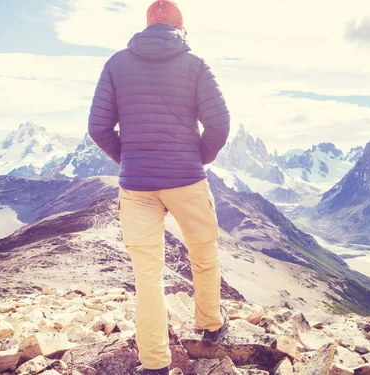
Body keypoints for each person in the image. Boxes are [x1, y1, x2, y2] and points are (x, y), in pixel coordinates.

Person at [88, 1, 231, 374]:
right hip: (187, 179)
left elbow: (98, 127)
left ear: (147, 25)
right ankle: (210, 324)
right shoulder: (196, 63)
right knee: (203, 251)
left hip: (136, 186)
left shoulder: (116, 64)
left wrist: (130, 158)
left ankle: (154, 364)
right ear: (179, 28)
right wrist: (196, 157)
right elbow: (219, 125)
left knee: (147, 275)